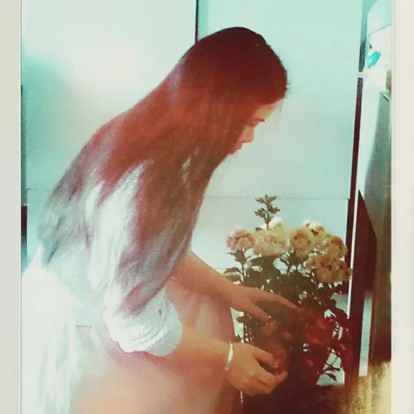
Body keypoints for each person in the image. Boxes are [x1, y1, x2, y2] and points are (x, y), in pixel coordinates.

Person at [22, 27, 297, 414]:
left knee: (206, 307)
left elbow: (151, 250)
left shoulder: (146, 133)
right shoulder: (151, 184)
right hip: (83, 344)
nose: (250, 137)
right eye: (250, 122)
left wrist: (226, 289)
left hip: (73, 299)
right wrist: (228, 359)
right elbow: (137, 326)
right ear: (218, 111)